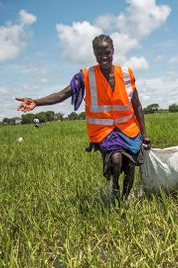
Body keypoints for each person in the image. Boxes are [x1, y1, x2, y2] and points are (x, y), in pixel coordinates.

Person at [16, 34, 151, 200]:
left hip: (129, 129)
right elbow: (62, 94)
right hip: (104, 132)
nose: (103, 57)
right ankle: (115, 189)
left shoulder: (126, 74)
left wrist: (144, 134)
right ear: (94, 53)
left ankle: (124, 200)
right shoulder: (86, 75)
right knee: (116, 159)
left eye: (107, 53)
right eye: (99, 53)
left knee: (130, 166)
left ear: (113, 51)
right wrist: (37, 102)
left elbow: (137, 105)